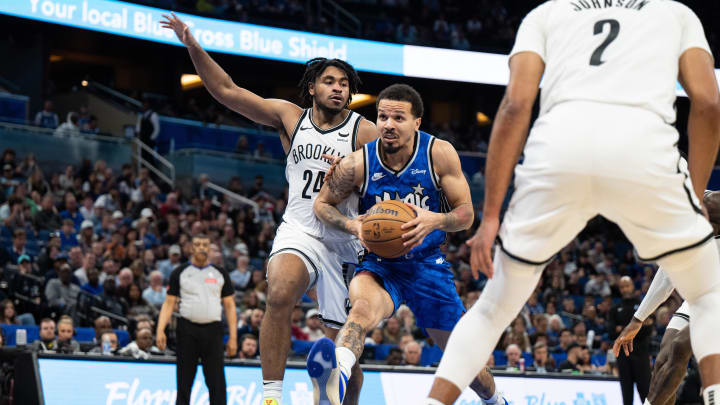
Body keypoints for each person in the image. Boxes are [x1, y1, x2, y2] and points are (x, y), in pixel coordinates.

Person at [423, 1, 720, 404]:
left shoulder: (547, 13)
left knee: (492, 310)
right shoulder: (675, 13)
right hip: (643, 152)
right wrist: (695, 195)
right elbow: (707, 104)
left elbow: (513, 108)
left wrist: (490, 216)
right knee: (707, 295)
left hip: (560, 152)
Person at [161, 12, 379, 405]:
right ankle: (272, 396)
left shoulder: (364, 132)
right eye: (329, 81)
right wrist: (192, 45)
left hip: (345, 240)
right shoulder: (289, 117)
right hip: (301, 227)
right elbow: (226, 90)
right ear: (311, 87)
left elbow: (390, 180)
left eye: (344, 84)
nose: (338, 88)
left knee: (344, 354)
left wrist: (356, 178)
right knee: (279, 291)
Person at [309, 84, 506, 405]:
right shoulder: (358, 163)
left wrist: (435, 220)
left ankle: (495, 400)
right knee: (359, 312)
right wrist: (352, 224)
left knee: (466, 362)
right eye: (383, 116)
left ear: (417, 122)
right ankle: (336, 377)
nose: (388, 124)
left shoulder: (438, 154)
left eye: (398, 117)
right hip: (380, 265)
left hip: (428, 266)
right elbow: (322, 204)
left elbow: (466, 214)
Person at [155, 234, 237, 405]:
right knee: (184, 383)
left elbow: (229, 306)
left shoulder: (220, 273)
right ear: (191, 248)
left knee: (217, 385)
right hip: (187, 331)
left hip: (213, 331)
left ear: (209, 248)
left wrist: (233, 338)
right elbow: (169, 303)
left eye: (205, 244)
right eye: (197, 244)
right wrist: (160, 329)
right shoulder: (180, 272)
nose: (201, 247)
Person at [607, 276, 652, 403]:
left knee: (645, 393)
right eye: (622, 287)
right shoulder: (615, 309)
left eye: (627, 286)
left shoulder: (643, 306)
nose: (625, 289)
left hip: (641, 355)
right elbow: (610, 332)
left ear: (632, 286)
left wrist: (622, 329)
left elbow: (648, 329)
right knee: (626, 395)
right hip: (622, 357)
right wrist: (635, 328)